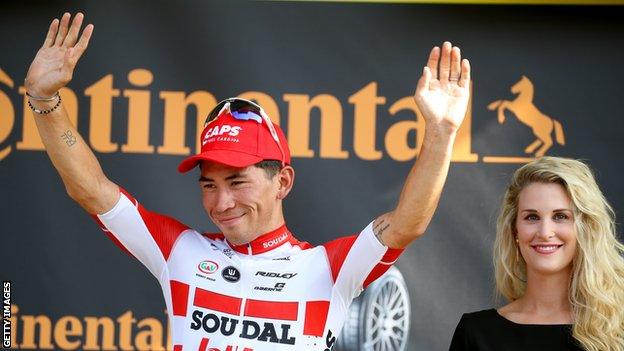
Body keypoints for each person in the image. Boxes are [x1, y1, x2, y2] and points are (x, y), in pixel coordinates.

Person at [26, 12, 471, 350]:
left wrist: (441, 133)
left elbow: (407, 223)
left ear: (283, 182)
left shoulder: (327, 270)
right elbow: (91, 190)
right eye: (208, 184)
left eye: (237, 182)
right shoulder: (179, 252)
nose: (221, 203)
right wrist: (44, 98)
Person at [449, 157, 624, 351]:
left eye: (560, 216)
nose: (545, 232)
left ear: (585, 228)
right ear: (515, 230)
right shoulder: (476, 332)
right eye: (532, 217)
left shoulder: (617, 327)